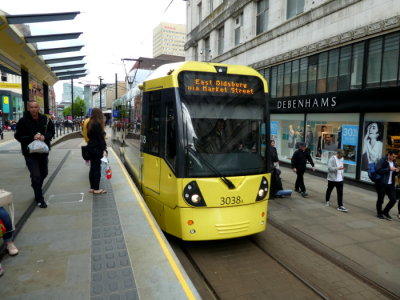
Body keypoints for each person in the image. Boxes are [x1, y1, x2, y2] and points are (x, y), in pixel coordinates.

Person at [15, 100, 55, 208]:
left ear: (39, 108)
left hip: (42, 152)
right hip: (30, 154)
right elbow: (18, 136)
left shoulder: (46, 119)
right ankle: (39, 198)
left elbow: (52, 131)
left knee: (44, 173)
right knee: (36, 175)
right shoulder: (23, 121)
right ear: (29, 108)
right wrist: (31, 137)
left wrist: (44, 137)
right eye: (31, 107)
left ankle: (35, 185)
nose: (34, 109)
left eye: (36, 107)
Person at [87, 108, 108, 194]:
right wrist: (104, 149)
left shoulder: (89, 123)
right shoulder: (98, 124)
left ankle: (92, 188)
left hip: (90, 148)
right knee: (97, 169)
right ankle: (96, 189)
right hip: (97, 149)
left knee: (92, 168)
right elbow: (100, 139)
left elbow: (89, 135)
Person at [375, 150, 399, 220]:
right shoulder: (382, 160)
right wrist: (389, 169)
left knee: (393, 199)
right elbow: (378, 170)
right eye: (393, 156)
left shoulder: (394, 162)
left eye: (395, 157)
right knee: (380, 200)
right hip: (381, 183)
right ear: (389, 154)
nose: (394, 158)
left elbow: (394, 174)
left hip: (390, 184)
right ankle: (379, 213)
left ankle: (385, 212)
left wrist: (397, 171)